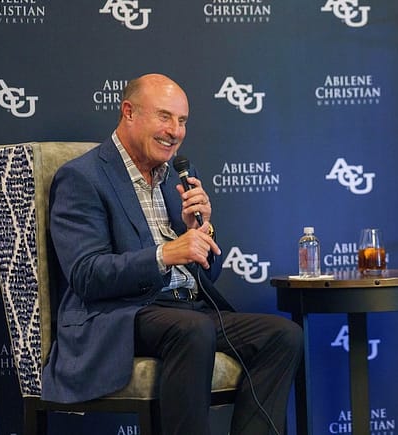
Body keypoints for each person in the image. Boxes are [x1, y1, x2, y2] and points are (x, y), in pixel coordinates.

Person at [42, 73, 303, 435]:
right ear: (128, 112)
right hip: (121, 314)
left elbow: (206, 274)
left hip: (186, 308)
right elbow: (87, 274)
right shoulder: (83, 178)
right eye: (164, 117)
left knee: (283, 335)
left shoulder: (178, 175)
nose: (175, 131)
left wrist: (202, 231)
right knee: (192, 330)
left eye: (182, 121)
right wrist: (165, 253)